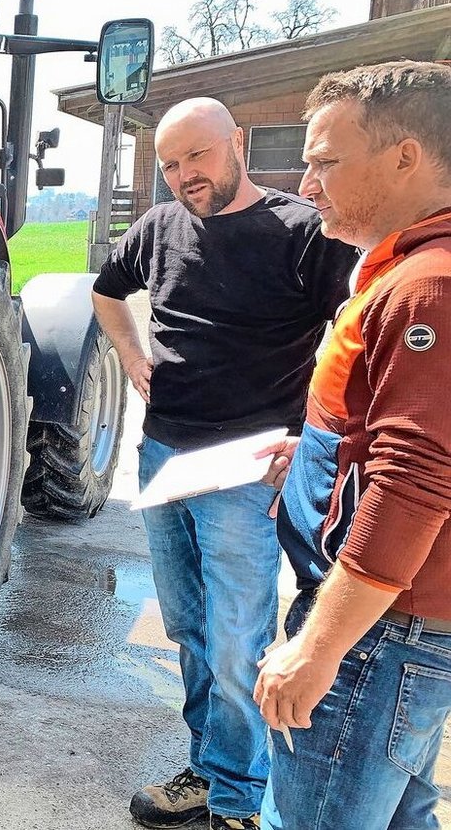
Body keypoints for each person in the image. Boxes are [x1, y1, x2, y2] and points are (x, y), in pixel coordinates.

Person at [92, 98, 358, 830]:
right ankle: (210, 770)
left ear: (236, 143)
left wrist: (312, 435)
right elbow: (107, 291)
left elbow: (359, 333)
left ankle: (238, 799)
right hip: (162, 455)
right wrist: (130, 353)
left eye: (197, 157)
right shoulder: (158, 227)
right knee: (188, 626)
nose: (184, 177)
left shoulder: (301, 233)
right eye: (170, 165)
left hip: (246, 467)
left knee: (238, 637)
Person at [255, 60, 451, 830]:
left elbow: (414, 481)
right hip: (389, 630)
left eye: (326, 162)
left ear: (406, 155)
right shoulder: (407, 269)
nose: (307, 186)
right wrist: (311, 457)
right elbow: (388, 435)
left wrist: (318, 646)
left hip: (378, 633)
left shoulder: (427, 287)